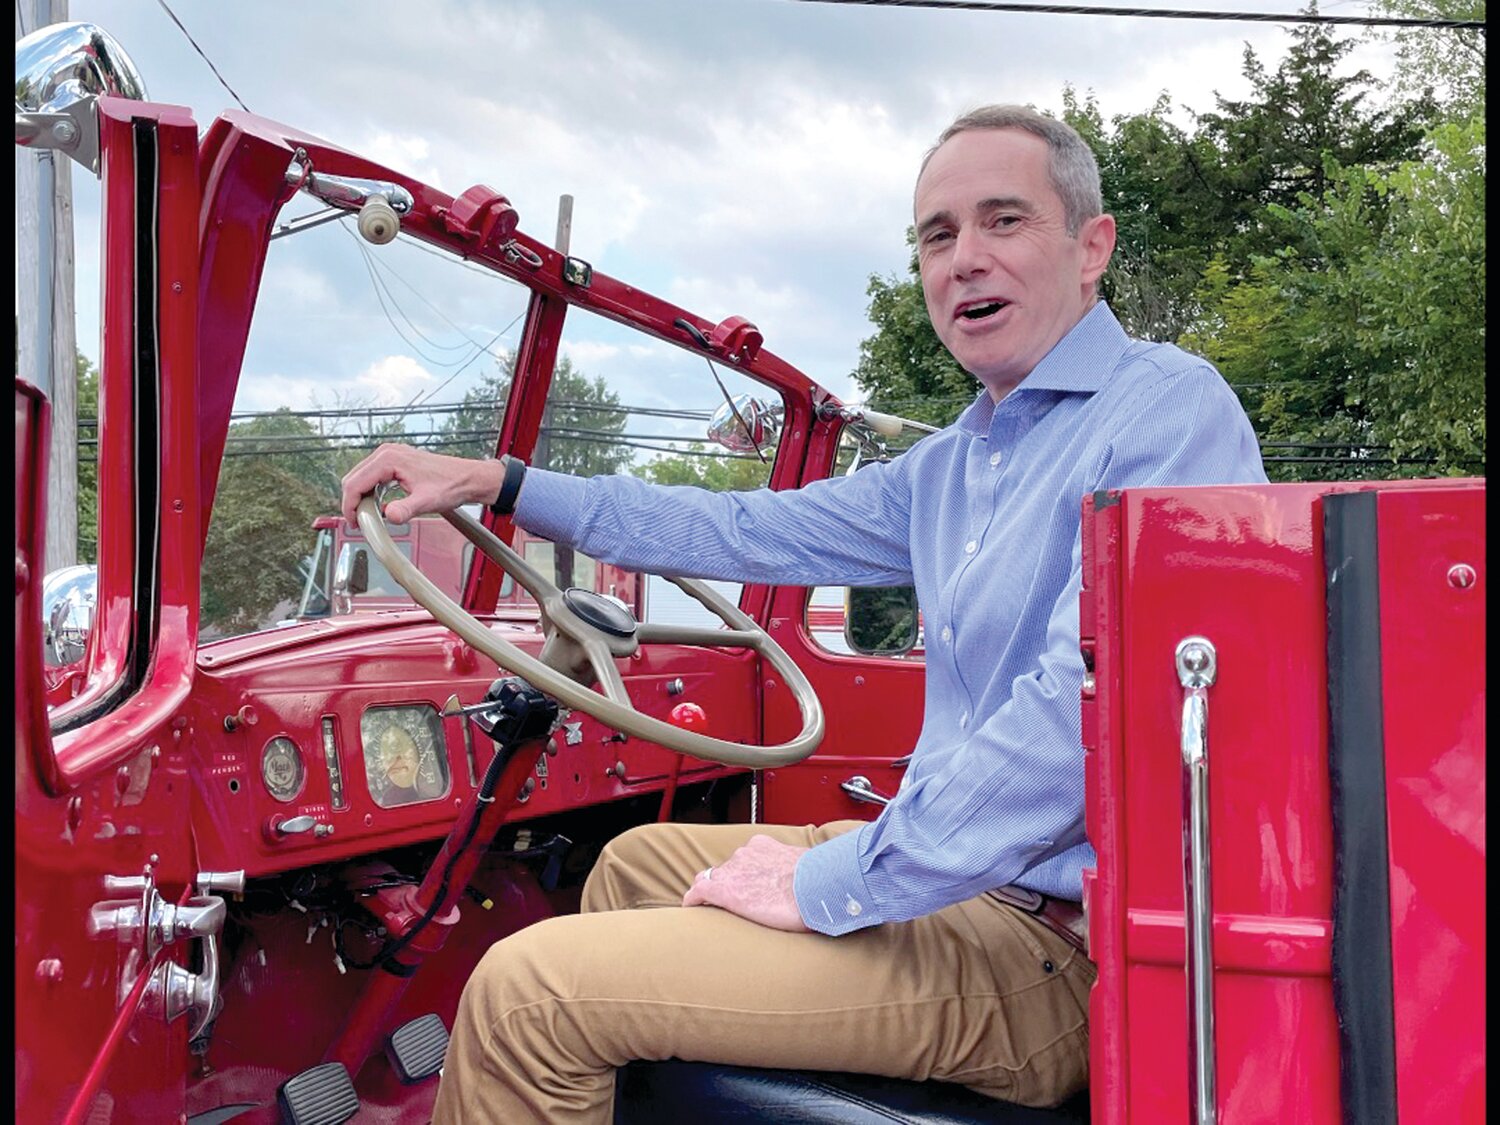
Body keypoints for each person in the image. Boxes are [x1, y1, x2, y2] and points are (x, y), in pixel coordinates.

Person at [341, 104, 1267, 1122]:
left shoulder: (1166, 411)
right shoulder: (958, 465)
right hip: (969, 884)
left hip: (1061, 951)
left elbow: (1079, 715)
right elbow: (737, 531)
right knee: (632, 863)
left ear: (1093, 249)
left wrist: (833, 883)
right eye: (938, 235)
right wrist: (506, 480)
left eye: (1004, 221)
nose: (964, 260)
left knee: (523, 996)